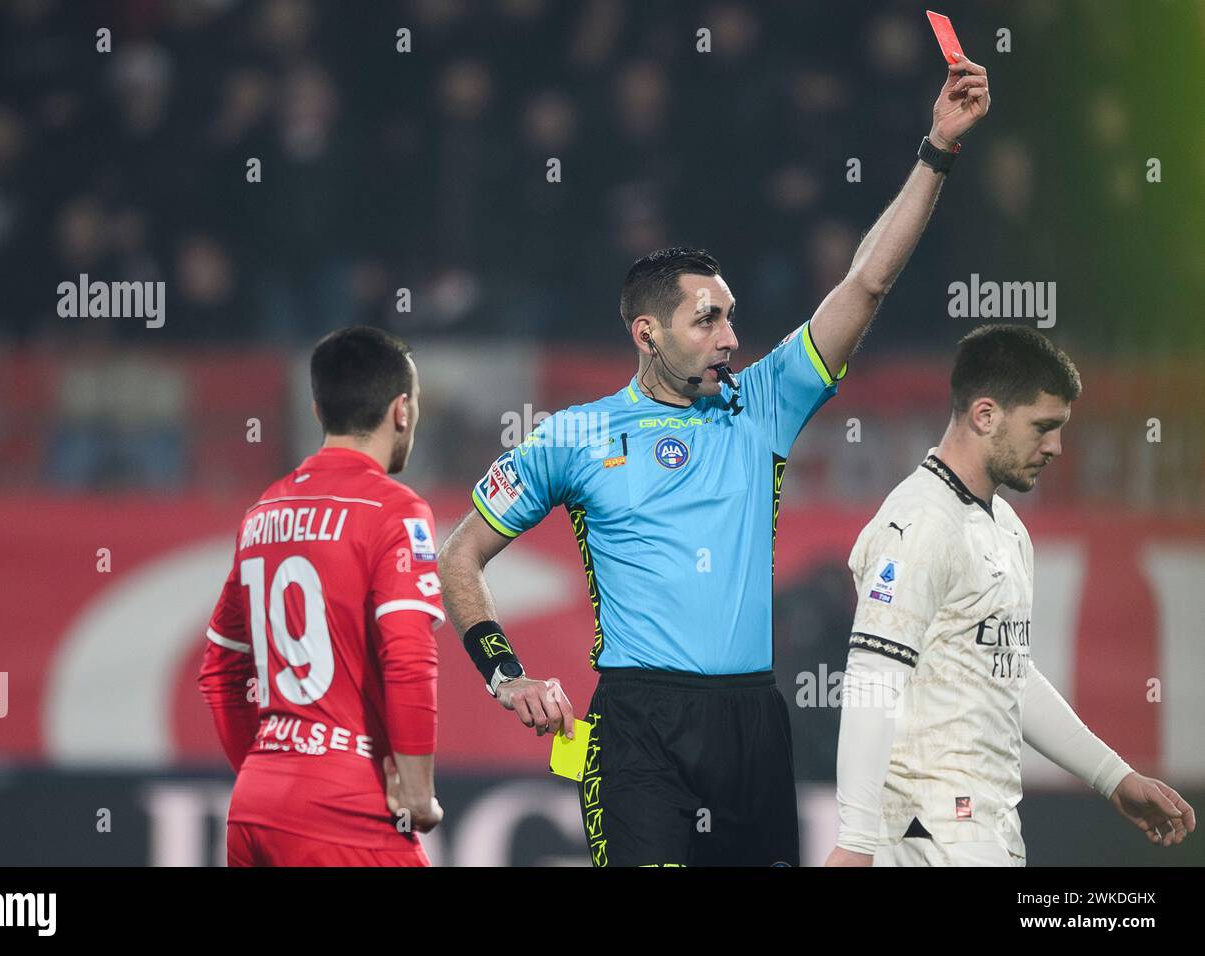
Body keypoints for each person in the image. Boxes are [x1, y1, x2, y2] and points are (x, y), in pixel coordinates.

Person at [438, 56, 993, 866]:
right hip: (638, 727)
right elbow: (461, 554)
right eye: (708, 320)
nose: (731, 337)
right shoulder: (574, 436)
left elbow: (865, 282)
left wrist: (936, 149)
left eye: (732, 317)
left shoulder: (760, 404)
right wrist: (505, 675)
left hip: (751, 724)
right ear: (647, 334)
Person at [827, 325, 1196, 867]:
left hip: (985, 831)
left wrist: (1113, 776)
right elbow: (872, 678)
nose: (1055, 448)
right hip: (921, 833)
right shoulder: (919, 524)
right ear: (985, 415)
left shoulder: (1004, 525)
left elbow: (1009, 673)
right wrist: (857, 841)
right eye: (1043, 427)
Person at [198, 326, 445, 866]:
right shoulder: (394, 510)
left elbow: (220, 668)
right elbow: (408, 653)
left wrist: (270, 773)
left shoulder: (264, 512)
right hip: (346, 808)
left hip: (256, 809)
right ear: (402, 410)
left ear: (317, 410)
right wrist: (417, 788)